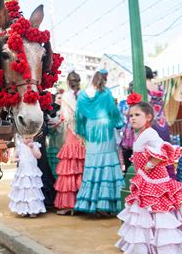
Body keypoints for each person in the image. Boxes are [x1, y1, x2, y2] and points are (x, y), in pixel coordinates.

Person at [116, 93, 182, 254]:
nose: (133, 118)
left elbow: (163, 149)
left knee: (160, 210)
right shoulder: (140, 133)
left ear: (148, 117)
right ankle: (146, 244)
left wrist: (151, 164)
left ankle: (168, 246)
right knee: (148, 209)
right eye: (131, 116)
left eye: (137, 115)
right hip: (146, 178)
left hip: (155, 179)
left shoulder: (150, 133)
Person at [74, 71, 125, 215]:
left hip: (91, 131)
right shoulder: (106, 93)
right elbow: (114, 112)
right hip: (105, 130)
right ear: (105, 79)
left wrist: (81, 132)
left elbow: (79, 116)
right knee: (108, 161)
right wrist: (119, 124)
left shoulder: (83, 95)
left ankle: (92, 203)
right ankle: (107, 204)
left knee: (92, 163)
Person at [54, 71, 85, 215]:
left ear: (67, 82)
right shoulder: (84, 95)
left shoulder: (66, 96)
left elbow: (65, 117)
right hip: (83, 135)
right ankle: (83, 203)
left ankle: (69, 205)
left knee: (69, 169)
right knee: (81, 168)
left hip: (71, 133)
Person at [145, 66, 176, 179]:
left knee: (153, 154)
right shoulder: (160, 87)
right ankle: (171, 179)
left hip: (151, 122)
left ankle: (159, 182)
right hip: (163, 122)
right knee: (165, 152)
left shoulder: (143, 88)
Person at [8, 134, 46, 217]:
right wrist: (16, 159)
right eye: (26, 138)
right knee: (24, 190)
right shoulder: (20, 147)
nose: (29, 140)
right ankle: (23, 209)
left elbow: (38, 156)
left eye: (30, 138)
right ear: (21, 138)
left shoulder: (35, 145)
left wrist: (32, 148)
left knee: (32, 190)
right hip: (23, 172)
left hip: (32, 171)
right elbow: (14, 157)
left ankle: (33, 210)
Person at [46, 92, 63, 179]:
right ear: (55, 99)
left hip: (65, 146)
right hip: (54, 145)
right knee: (55, 170)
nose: (61, 100)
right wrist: (56, 124)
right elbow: (49, 131)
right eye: (59, 98)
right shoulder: (51, 113)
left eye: (62, 98)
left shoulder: (69, 112)